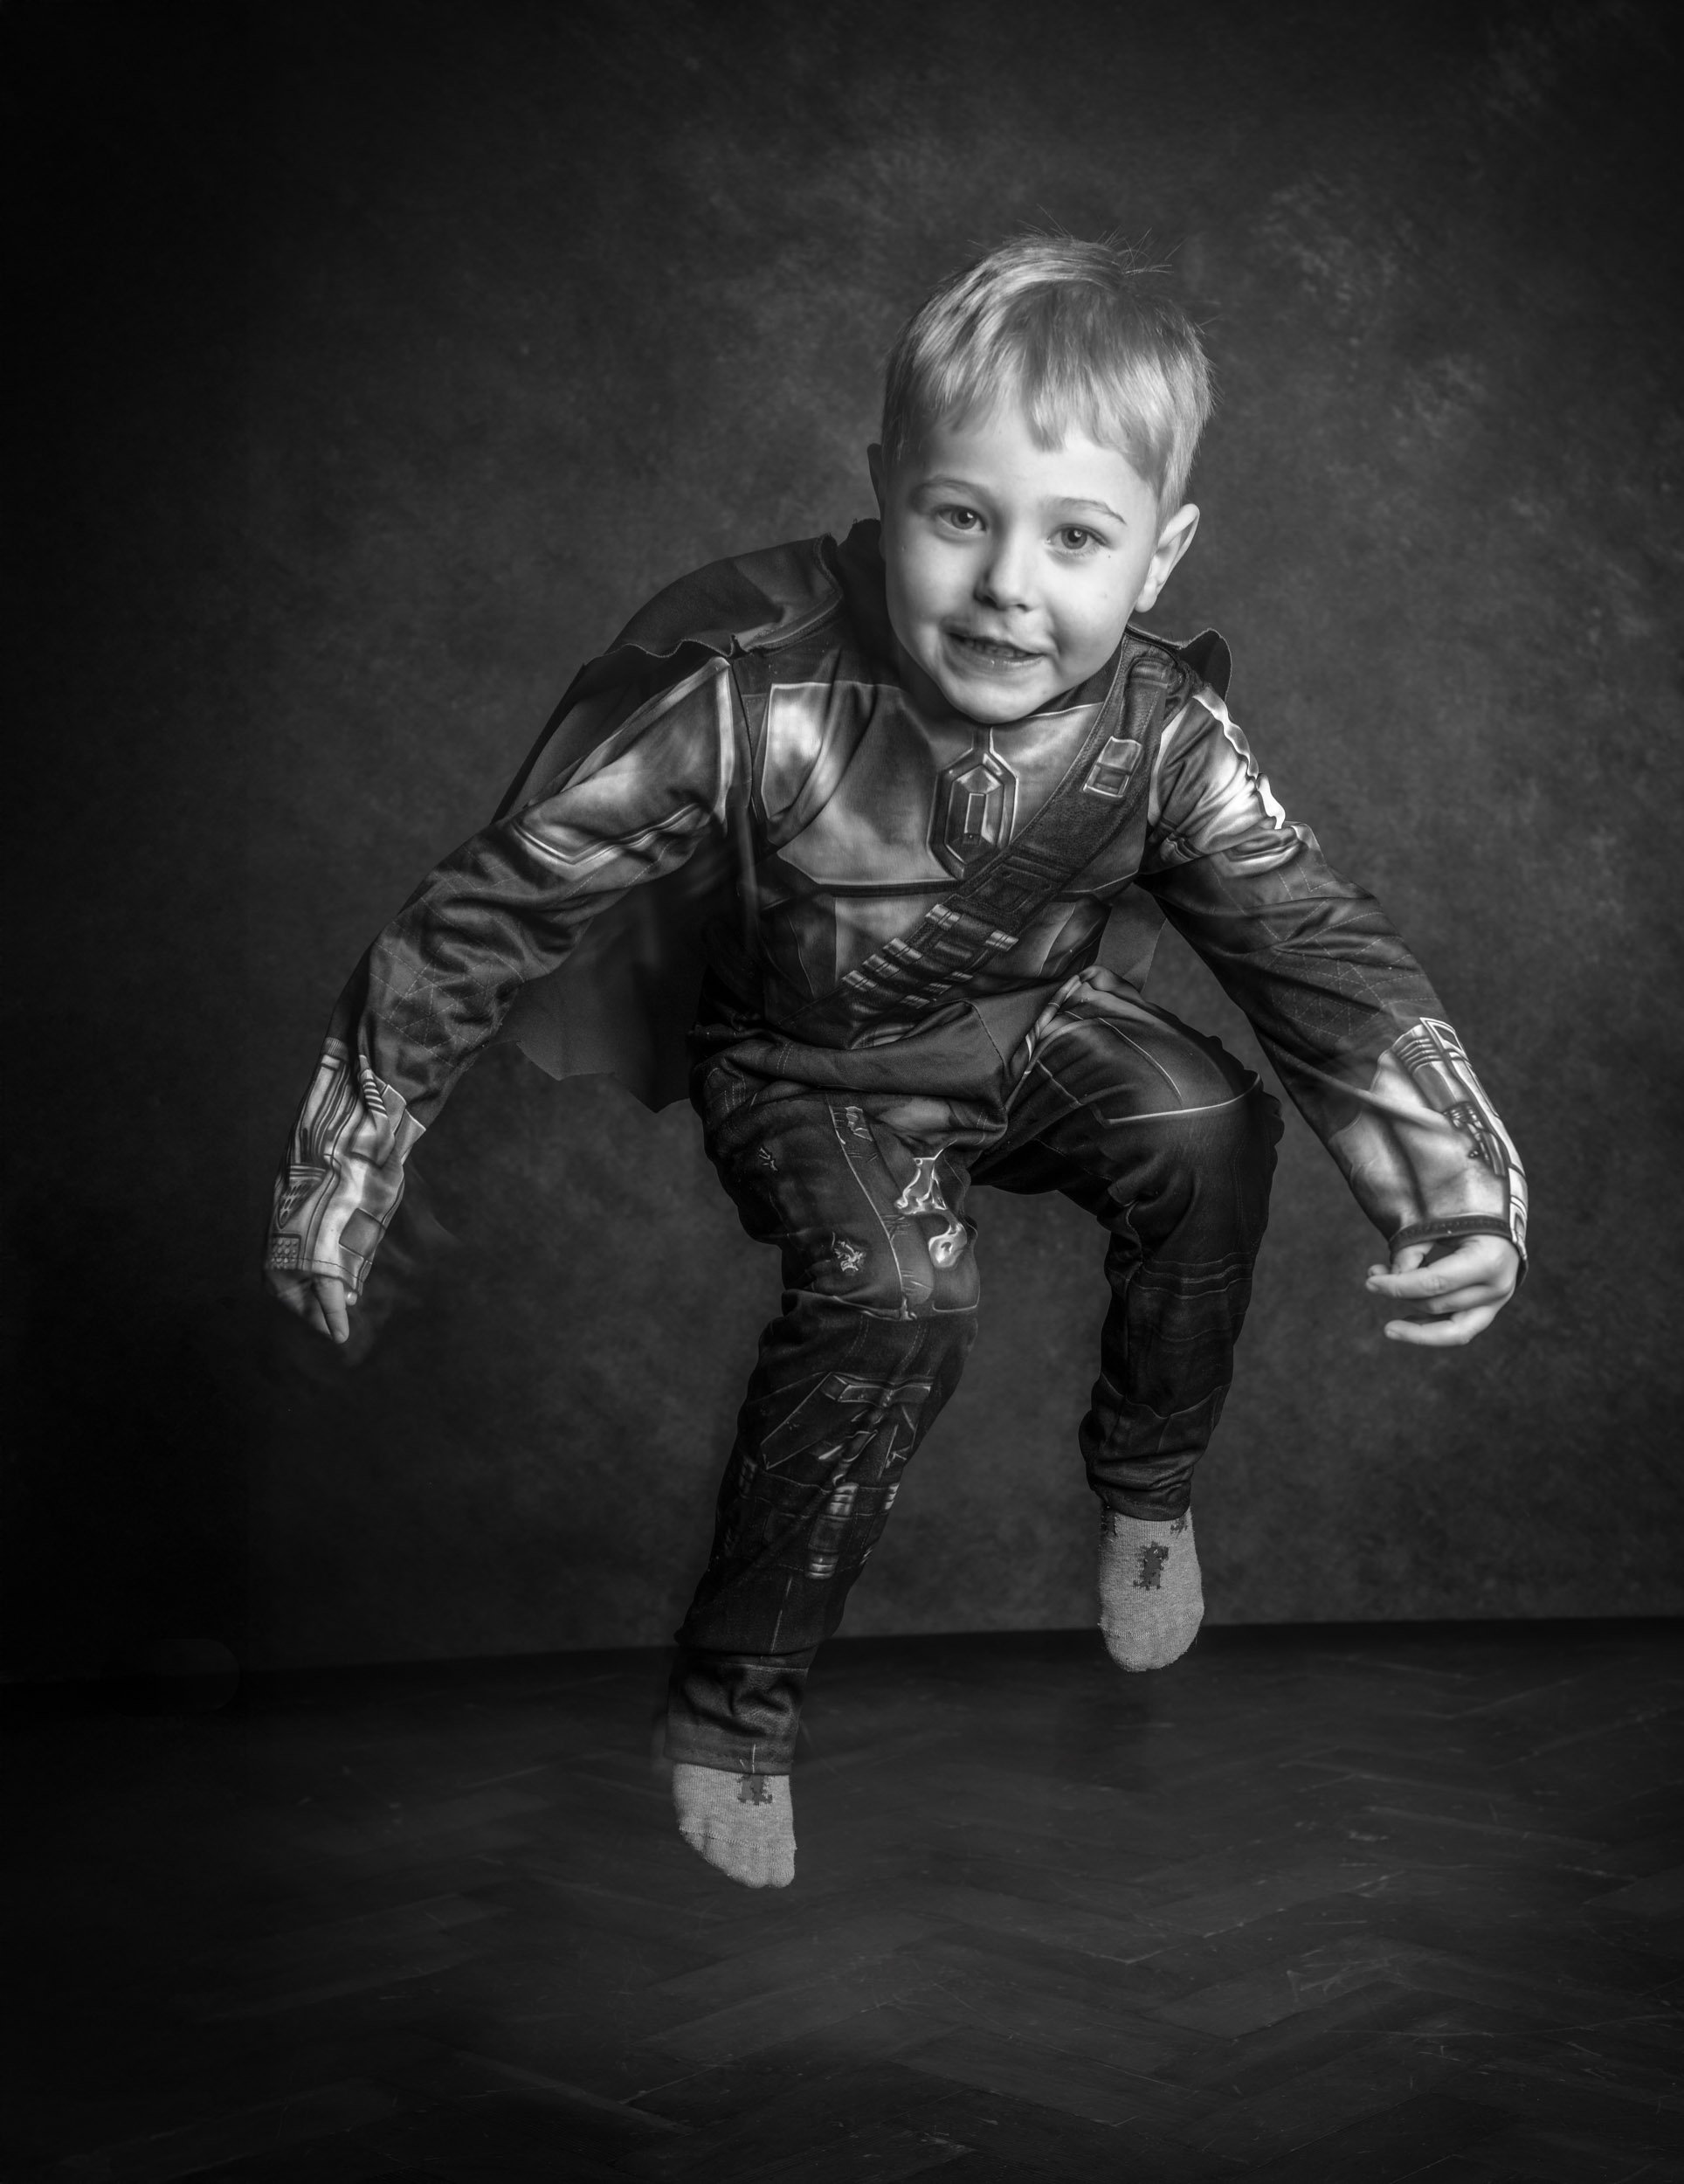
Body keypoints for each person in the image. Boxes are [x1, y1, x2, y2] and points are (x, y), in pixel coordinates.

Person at [265, 236, 1526, 1890]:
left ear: (1161, 555)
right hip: (810, 1070)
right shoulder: (753, 702)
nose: (1010, 585)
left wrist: (1457, 1186)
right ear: (883, 494)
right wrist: (350, 1152)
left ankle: (1149, 1489)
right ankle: (735, 1711)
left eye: (1077, 537)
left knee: (1210, 1122)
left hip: (1029, 1025)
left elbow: (1310, 941)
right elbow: (499, 905)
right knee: (902, 1298)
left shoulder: (1166, 733)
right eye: (961, 517)